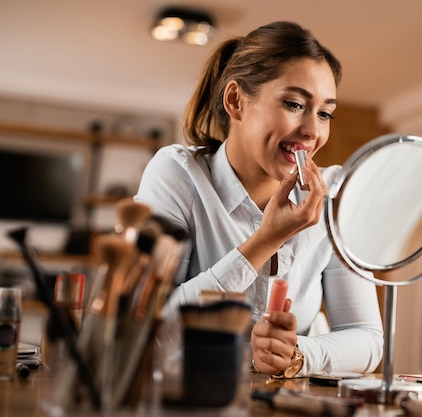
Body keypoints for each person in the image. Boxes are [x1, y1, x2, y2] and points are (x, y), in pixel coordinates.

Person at [135, 21, 383, 377]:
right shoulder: (177, 174)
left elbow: (368, 339)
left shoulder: (333, 194)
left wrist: (295, 354)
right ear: (235, 100)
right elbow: (147, 331)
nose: (313, 131)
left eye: (325, 113)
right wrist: (266, 241)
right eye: (295, 104)